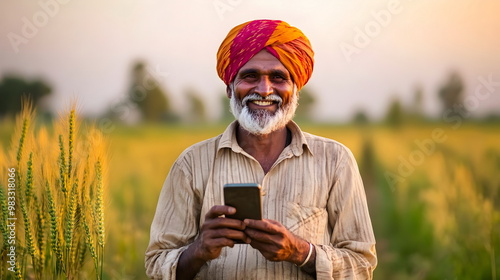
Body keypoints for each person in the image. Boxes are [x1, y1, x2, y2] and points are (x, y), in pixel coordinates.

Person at [145, 19, 377, 279]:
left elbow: (362, 265)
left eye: (278, 77)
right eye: (250, 76)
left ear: (294, 89)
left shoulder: (335, 161)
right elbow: (156, 265)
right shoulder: (191, 164)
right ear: (229, 88)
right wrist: (200, 249)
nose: (264, 90)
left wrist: (300, 252)